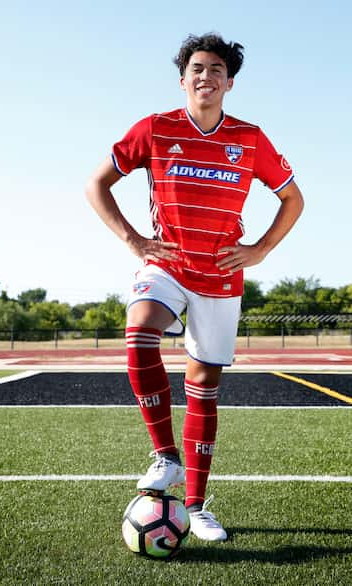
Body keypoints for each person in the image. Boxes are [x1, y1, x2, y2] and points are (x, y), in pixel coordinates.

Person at [86, 33, 304, 542]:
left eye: (216, 70)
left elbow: (293, 199)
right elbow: (96, 183)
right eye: (197, 69)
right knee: (139, 332)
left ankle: (197, 507)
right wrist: (134, 239)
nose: (205, 77)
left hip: (222, 274)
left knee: (203, 389)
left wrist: (261, 250)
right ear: (183, 79)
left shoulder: (251, 139)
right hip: (167, 262)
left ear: (230, 82)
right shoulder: (155, 129)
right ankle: (164, 456)